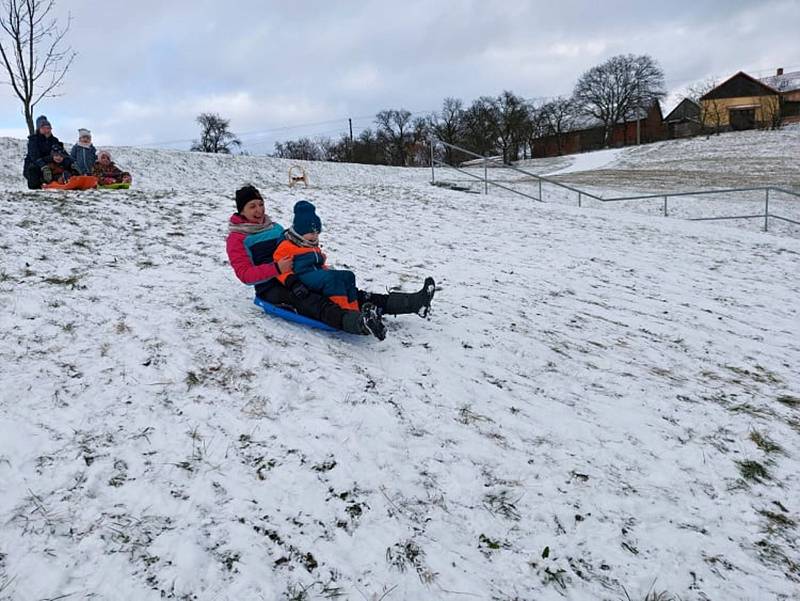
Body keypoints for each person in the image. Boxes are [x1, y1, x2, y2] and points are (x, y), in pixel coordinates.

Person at [226, 185, 435, 341]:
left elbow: (298, 247)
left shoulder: (274, 226)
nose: (259, 210)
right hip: (271, 287)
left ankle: (414, 303)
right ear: (241, 210)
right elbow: (244, 275)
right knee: (312, 300)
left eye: (261, 204)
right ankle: (358, 322)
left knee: (347, 289)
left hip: (299, 272)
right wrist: (277, 269)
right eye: (252, 206)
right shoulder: (237, 238)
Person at [272, 201, 360, 311]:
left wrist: (325, 269)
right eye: (312, 233)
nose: (315, 236)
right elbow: (279, 268)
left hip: (316, 274)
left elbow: (318, 262)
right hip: (301, 277)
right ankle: (344, 312)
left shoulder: (309, 243)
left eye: (317, 233)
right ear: (300, 231)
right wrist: (293, 283)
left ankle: (354, 309)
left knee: (348, 276)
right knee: (332, 279)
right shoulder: (287, 246)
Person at [23, 115, 77, 189]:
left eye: (48, 128)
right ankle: (37, 186)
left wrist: (71, 162)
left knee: (64, 163)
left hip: (51, 163)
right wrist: (43, 166)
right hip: (36, 165)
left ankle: (68, 179)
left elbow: (63, 153)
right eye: (44, 128)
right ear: (39, 129)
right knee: (34, 168)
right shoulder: (33, 140)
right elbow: (34, 156)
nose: (46, 130)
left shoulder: (54, 140)